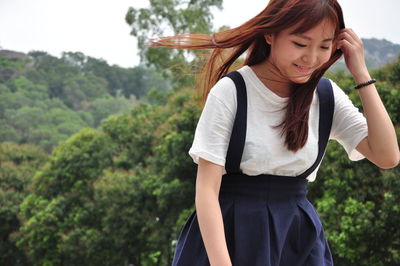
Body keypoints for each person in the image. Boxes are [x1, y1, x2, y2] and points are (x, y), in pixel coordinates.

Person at [150, 0, 400, 265]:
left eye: (324, 46)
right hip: (230, 236)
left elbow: (387, 156)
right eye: (300, 44)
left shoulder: (326, 96)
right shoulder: (232, 91)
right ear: (270, 34)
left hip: (297, 240)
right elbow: (207, 190)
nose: (312, 58)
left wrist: (361, 72)